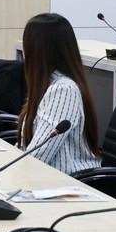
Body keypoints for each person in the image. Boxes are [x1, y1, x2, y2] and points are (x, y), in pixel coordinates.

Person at [18, 13, 102, 175]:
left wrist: (8, 172)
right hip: (44, 177)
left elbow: (39, 154)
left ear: (37, 51)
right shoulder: (46, 85)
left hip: (66, 181)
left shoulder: (64, 90)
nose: (24, 52)